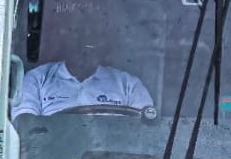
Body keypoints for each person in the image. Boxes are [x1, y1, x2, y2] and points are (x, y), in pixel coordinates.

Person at [13, 43, 153, 120]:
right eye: (78, 43)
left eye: (91, 45)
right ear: (66, 45)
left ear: (102, 50)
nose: (84, 52)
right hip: (50, 158)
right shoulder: (37, 78)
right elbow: (24, 123)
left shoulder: (128, 84)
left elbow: (145, 128)